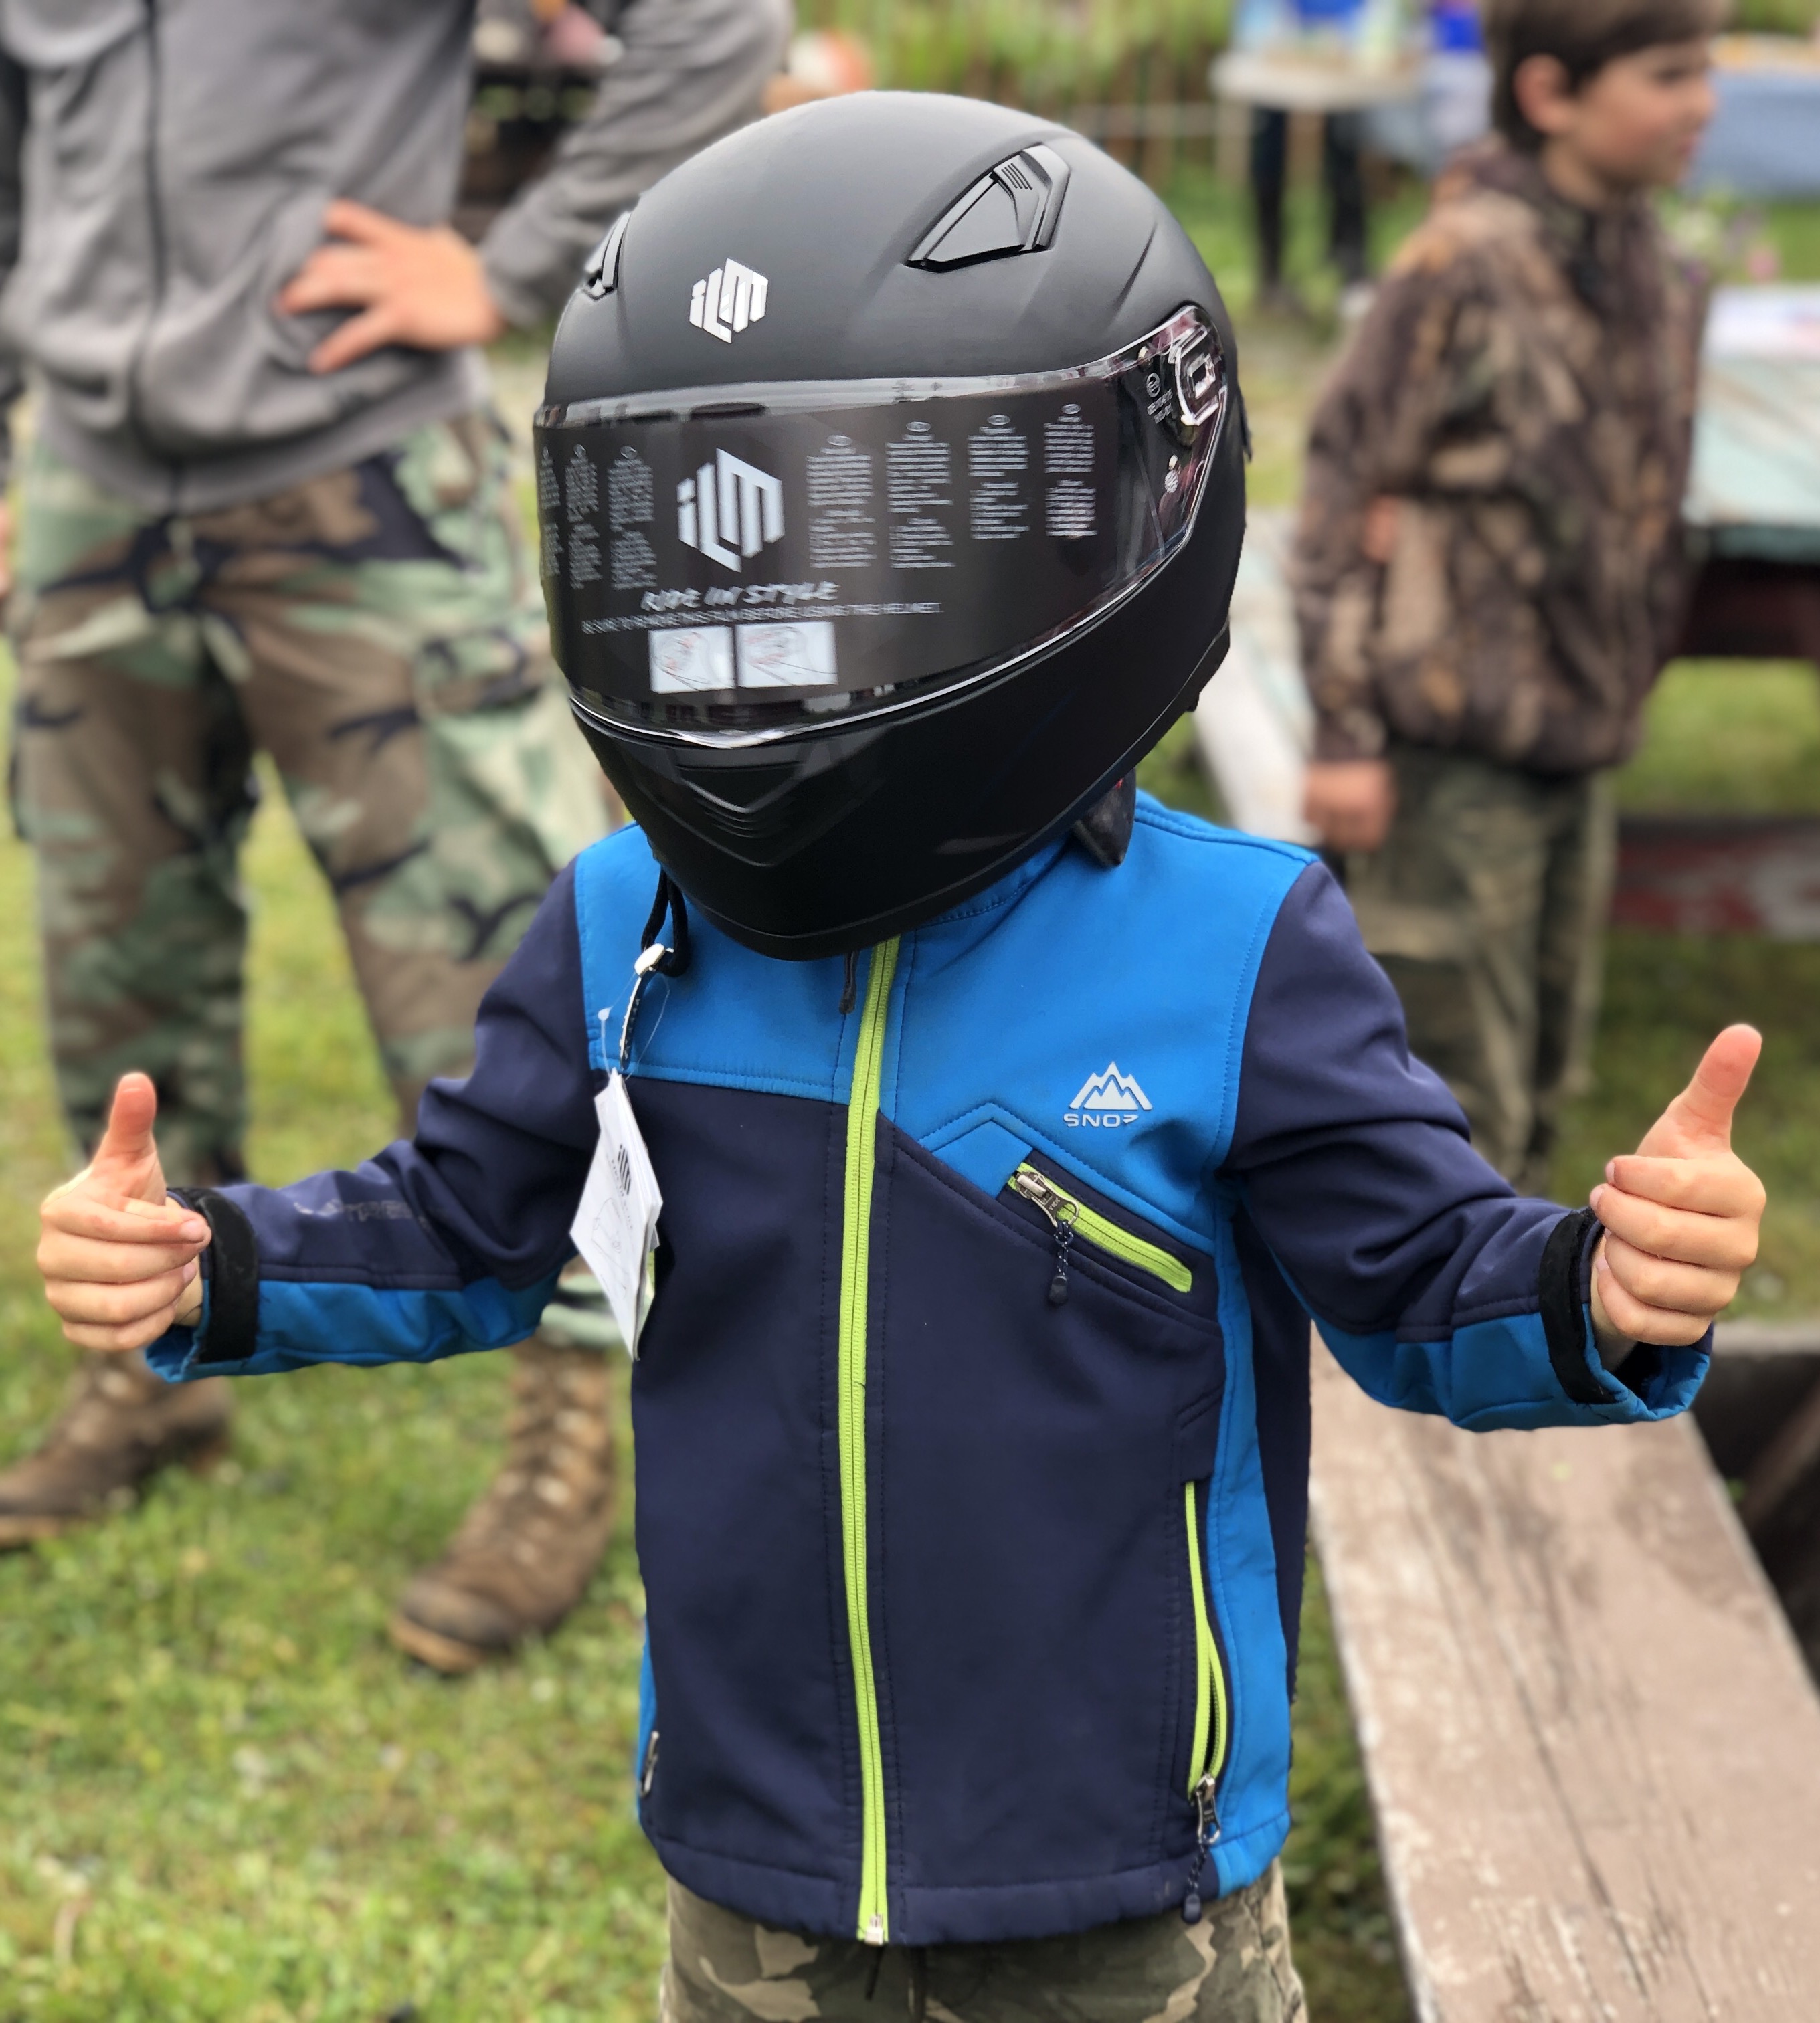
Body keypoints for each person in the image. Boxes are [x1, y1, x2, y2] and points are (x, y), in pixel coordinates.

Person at [35, 92, 1766, 2023]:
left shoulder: (1232, 945)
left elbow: (1422, 1287)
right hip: (755, 1874)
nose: (774, 630)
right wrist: (219, 1267)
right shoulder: (625, 926)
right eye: (699, 552)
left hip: (1127, 1884)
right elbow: (466, 1226)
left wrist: (1600, 1292)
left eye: (881, 539)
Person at [0, 0, 790, 1678]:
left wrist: (507, 274)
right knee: (111, 956)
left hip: (355, 477)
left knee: (499, 982)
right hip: (84, 481)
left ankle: (572, 1416)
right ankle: (147, 1365)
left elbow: (717, 24)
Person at [1294, 0, 1718, 1194]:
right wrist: (1341, 730)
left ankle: (1505, 1332)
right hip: (1449, 757)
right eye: (1669, 74)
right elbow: (1340, 486)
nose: (1703, 104)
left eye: (1707, 72)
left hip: (1577, 749)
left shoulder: (1654, 268)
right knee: (1441, 1096)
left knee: (1543, 1074)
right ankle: (1414, 1363)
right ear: (1549, 95)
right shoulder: (1460, 264)